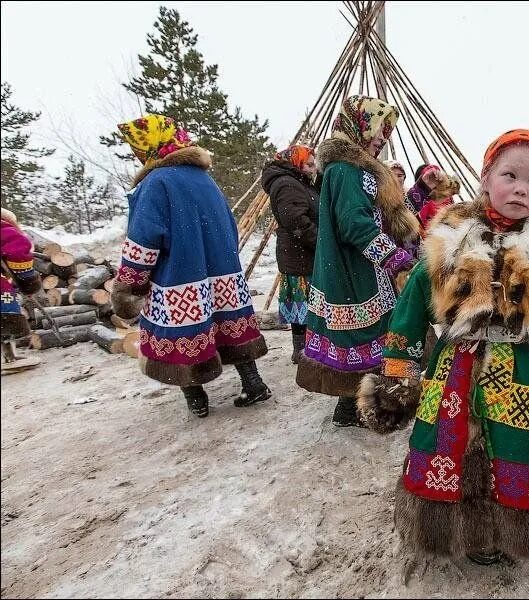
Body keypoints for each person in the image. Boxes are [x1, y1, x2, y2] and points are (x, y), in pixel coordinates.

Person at [356, 129, 529, 565]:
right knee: (446, 450)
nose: (521, 188)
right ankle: (452, 530)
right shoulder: (449, 241)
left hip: (523, 375)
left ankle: (509, 535)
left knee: (518, 452)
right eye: (510, 174)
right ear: (486, 175)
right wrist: (396, 376)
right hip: (452, 371)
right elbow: (412, 309)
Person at [111, 114, 270, 418]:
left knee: (181, 336)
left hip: (179, 278)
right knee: (229, 326)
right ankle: (253, 383)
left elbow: (144, 240)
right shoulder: (204, 180)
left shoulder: (156, 183)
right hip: (222, 273)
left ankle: (196, 399)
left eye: (138, 149)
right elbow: (229, 227)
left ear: (151, 147)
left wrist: (130, 282)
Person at [296, 95, 420, 426]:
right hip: (356, 274)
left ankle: (352, 409)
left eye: (387, 133)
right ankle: (362, 409)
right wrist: (396, 258)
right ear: (360, 125)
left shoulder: (346, 169)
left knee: (359, 341)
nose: (383, 138)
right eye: (380, 130)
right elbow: (355, 224)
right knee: (367, 339)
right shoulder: (348, 170)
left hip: (354, 271)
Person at [261, 144, 319, 364]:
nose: (314, 169)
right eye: (310, 164)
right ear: (296, 163)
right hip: (300, 255)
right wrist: (320, 241)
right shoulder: (287, 184)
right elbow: (296, 221)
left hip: (302, 253)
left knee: (304, 305)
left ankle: (304, 350)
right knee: (301, 306)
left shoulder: (297, 182)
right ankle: (301, 351)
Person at [1, 208, 42, 372]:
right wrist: (27, 279)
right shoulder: (4, 228)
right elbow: (18, 248)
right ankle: (9, 358)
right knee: (5, 319)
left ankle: (8, 356)